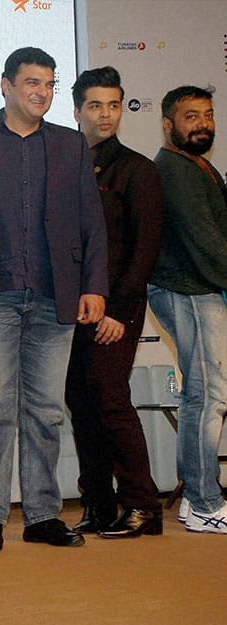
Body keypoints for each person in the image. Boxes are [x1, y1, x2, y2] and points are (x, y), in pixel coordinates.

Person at [0, 47, 109, 551]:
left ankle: (40, 515)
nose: (42, 92)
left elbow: (90, 221)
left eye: (50, 84)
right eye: (32, 82)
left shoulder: (70, 145)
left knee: (44, 410)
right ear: (6, 85)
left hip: (55, 296)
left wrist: (94, 285)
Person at [65, 67, 164, 538]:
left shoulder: (137, 169)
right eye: (95, 105)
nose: (106, 115)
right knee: (81, 403)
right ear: (77, 109)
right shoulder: (65, 162)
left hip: (116, 309)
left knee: (110, 398)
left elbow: (145, 248)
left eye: (114, 105)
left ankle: (143, 506)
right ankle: (99, 505)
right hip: (70, 306)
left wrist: (121, 312)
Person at [148, 85, 227, 533]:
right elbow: (208, 245)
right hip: (190, 290)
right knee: (208, 396)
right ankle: (202, 500)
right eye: (191, 116)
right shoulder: (175, 170)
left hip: (198, 289)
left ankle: (196, 500)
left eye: (208, 115)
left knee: (205, 395)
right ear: (167, 124)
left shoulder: (197, 166)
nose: (203, 124)